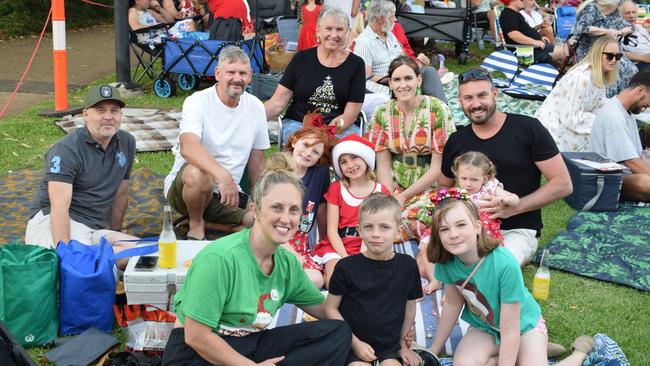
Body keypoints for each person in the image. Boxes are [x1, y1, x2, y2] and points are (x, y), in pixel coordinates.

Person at [161, 168, 352, 365]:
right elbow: (196, 337)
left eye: (293, 209)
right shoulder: (220, 259)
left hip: (249, 342)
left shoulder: (286, 263)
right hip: (196, 353)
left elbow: (326, 309)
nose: (286, 219)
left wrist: (367, 328)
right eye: (276, 207)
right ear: (254, 210)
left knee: (338, 332)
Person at [426, 192, 595, 365]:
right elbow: (453, 304)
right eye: (444, 229)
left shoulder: (504, 264)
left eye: (461, 225)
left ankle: (578, 353)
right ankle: (527, 352)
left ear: (477, 226)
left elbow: (510, 330)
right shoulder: (446, 260)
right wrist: (433, 350)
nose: (453, 234)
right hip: (486, 328)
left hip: (522, 327)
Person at [440, 68, 572, 266]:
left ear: (495, 93)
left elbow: (563, 184)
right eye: (468, 98)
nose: (476, 104)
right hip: (469, 229)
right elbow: (444, 189)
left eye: (482, 95)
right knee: (439, 259)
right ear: (460, 101)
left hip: (517, 230)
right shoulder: (457, 140)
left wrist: (514, 208)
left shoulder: (528, 128)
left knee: (497, 267)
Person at [366, 56, 456, 294]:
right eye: (397, 79)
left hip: (430, 183)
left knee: (410, 218)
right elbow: (382, 160)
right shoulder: (382, 112)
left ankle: (416, 264)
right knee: (377, 214)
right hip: (395, 181)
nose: (402, 85)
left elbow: (439, 165)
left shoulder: (437, 109)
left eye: (408, 78)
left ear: (418, 80)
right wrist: (388, 194)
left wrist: (404, 197)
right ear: (390, 83)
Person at [164, 46, 268, 240]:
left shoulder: (256, 107)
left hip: (228, 196)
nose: (237, 78)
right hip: (187, 191)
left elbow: (258, 163)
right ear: (218, 74)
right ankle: (195, 223)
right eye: (231, 72)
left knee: (263, 223)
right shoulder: (198, 101)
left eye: (243, 73)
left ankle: (217, 226)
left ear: (250, 76)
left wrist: (259, 200)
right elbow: (188, 147)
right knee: (199, 173)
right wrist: (223, 176)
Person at [25, 85, 138, 257]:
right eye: (100, 110)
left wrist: (114, 231)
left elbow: (121, 193)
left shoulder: (127, 142)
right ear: (85, 115)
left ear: (120, 115)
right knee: (83, 262)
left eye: (114, 111)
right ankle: (85, 260)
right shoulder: (66, 150)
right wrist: (66, 253)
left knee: (145, 252)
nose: (108, 117)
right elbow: (59, 206)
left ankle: (96, 258)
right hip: (55, 222)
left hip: (94, 228)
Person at [325, 192, 423, 366]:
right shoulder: (346, 267)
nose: (376, 234)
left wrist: (403, 345)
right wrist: (355, 344)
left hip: (390, 346)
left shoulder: (408, 265)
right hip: (353, 344)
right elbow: (331, 309)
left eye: (384, 227)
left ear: (398, 231)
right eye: (369, 227)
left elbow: (410, 306)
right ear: (359, 230)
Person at [265, 6, 366, 145]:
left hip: (339, 127)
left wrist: (331, 129)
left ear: (347, 33)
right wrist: (252, 120)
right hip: (298, 123)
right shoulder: (301, 59)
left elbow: (351, 114)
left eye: (340, 30)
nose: (334, 35)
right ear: (318, 31)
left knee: (339, 146)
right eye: (328, 29)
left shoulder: (356, 65)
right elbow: (277, 103)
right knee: (307, 144)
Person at [312, 134, 390, 287]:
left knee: (372, 282)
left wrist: (361, 258)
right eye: (343, 162)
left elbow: (381, 229)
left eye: (355, 158)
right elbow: (332, 231)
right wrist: (346, 258)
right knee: (336, 281)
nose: (350, 165)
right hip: (339, 245)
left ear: (365, 158)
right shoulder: (336, 189)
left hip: (369, 244)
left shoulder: (381, 192)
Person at [266, 125, 337, 288]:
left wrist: (324, 243)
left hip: (299, 241)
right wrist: (289, 251)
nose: (308, 153)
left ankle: (280, 281)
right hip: (273, 236)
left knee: (317, 280)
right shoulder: (279, 166)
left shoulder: (320, 172)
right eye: (306, 145)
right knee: (272, 265)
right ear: (294, 141)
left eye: (315, 152)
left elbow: (321, 208)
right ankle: (276, 280)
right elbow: (266, 220)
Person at [354, 0, 447, 117]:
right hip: (388, 83)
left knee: (429, 71)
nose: (395, 19)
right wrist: (393, 79)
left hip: (403, 75)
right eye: (392, 16)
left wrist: (416, 64)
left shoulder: (390, 35)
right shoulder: (364, 42)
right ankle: (427, 117)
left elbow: (403, 59)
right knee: (411, 82)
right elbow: (366, 78)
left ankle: (443, 115)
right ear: (382, 19)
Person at [535, 36, 619, 152]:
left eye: (618, 56)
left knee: (613, 131)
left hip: (569, 123)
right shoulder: (581, 78)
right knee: (604, 138)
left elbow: (599, 106)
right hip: (554, 128)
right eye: (610, 56)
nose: (614, 60)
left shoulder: (598, 76)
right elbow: (571, 119)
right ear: (598, 54)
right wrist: (603, 123)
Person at [590, 70, 650, 202]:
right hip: (610, 178)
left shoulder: (625, 110)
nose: (646, 107)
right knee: (646, 183)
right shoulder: (613, 116)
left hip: (629, 171)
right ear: (639, 90)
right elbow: (632, 162)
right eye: (647, 104)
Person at [451, 151, 520, 242]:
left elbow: (515, 199)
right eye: (464, 178)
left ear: (485, 179)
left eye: (474, 180)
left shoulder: (489, 188)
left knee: (486, 254)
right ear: (457, 176)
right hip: (464, 234)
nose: (468, 184)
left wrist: (503, 199)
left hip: (485, 235)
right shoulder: (458, 193)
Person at [572, 0, 636, 96]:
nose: (619, 5)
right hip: (591, 51)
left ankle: (620, 98)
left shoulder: (614, 12)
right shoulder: (592, 8)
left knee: (631, 70)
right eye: (618, 3)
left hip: (611, 51)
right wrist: (606, 31)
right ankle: (604, 100)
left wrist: (620, 32)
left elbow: (630, 27)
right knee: (612, 76)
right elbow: (582, 27)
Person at [498, 0, 565, 64]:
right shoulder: (508, 15)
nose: (523, 1)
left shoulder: (516, 14)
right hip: (525, 51)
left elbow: (527, 31)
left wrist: (540, 37)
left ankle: (557, 67)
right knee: (562, 51)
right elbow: (513, 35)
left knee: (565, 50)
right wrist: (534, 42)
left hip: (532, 47)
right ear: (512, 1)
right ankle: (554, 67)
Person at [618, 1, 650, 71]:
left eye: (634, 12)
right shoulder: (617, 31)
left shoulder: (640, 28)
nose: (632, 16)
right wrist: (642, 58)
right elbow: (616, 53)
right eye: (628, 13)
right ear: (620, 15)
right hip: (638, 65)